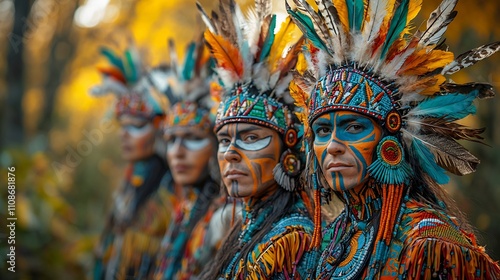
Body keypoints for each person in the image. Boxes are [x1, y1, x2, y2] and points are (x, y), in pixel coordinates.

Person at [287, 0, 500, 278]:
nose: (333, 146)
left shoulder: (432, 246)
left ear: (392, 140)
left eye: (353, 127)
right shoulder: (336, 235)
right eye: (323, 131)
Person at [197, 0, 317, 278]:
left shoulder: (292, 241)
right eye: (224, 140)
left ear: (288, 149)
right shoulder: (245, 230)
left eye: (251, 137)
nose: (230, 153)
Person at [90, 45, 172, 280]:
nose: (124, 134)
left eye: (136, 126)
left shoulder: (171, 189)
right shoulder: (128, 179)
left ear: (158, 130)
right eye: (122, 126)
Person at [152, 39, 230, 280]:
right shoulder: (183, 209)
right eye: (171, 140)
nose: (177, 151)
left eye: (192, 138)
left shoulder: (227, 217)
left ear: (216, 144)